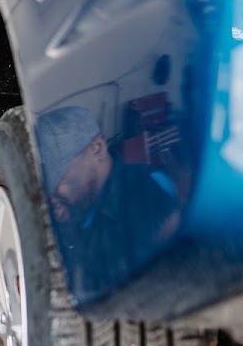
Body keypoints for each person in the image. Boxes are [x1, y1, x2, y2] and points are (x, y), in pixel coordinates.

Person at [35, 104, 182, 299]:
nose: (53, 195)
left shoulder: (148, 191)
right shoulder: (74, 209)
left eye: (60, 180)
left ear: (97, 149)